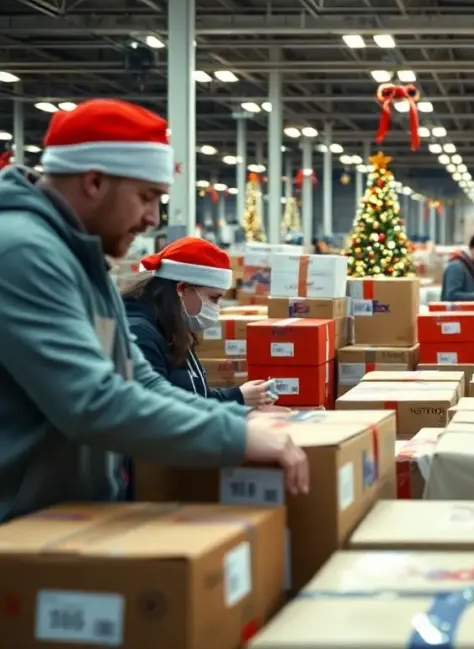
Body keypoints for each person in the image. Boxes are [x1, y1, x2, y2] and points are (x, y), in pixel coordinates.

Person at [0, 99, 308, 522]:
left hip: (61, 520)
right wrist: (235, 435)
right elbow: (91, 402)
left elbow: (138, 379)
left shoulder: (81, 259)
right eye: (147, 197)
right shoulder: (23, 252)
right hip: (17, 528)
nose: (152, 218)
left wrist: (240, 419)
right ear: (93, 181)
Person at [124, 237, 274, 406]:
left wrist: (237, 396)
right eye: (213, 298)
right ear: (182, 289)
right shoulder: (139, 335)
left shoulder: (172, 329)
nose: (216, 308)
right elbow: (160, 409)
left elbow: (191, 395)